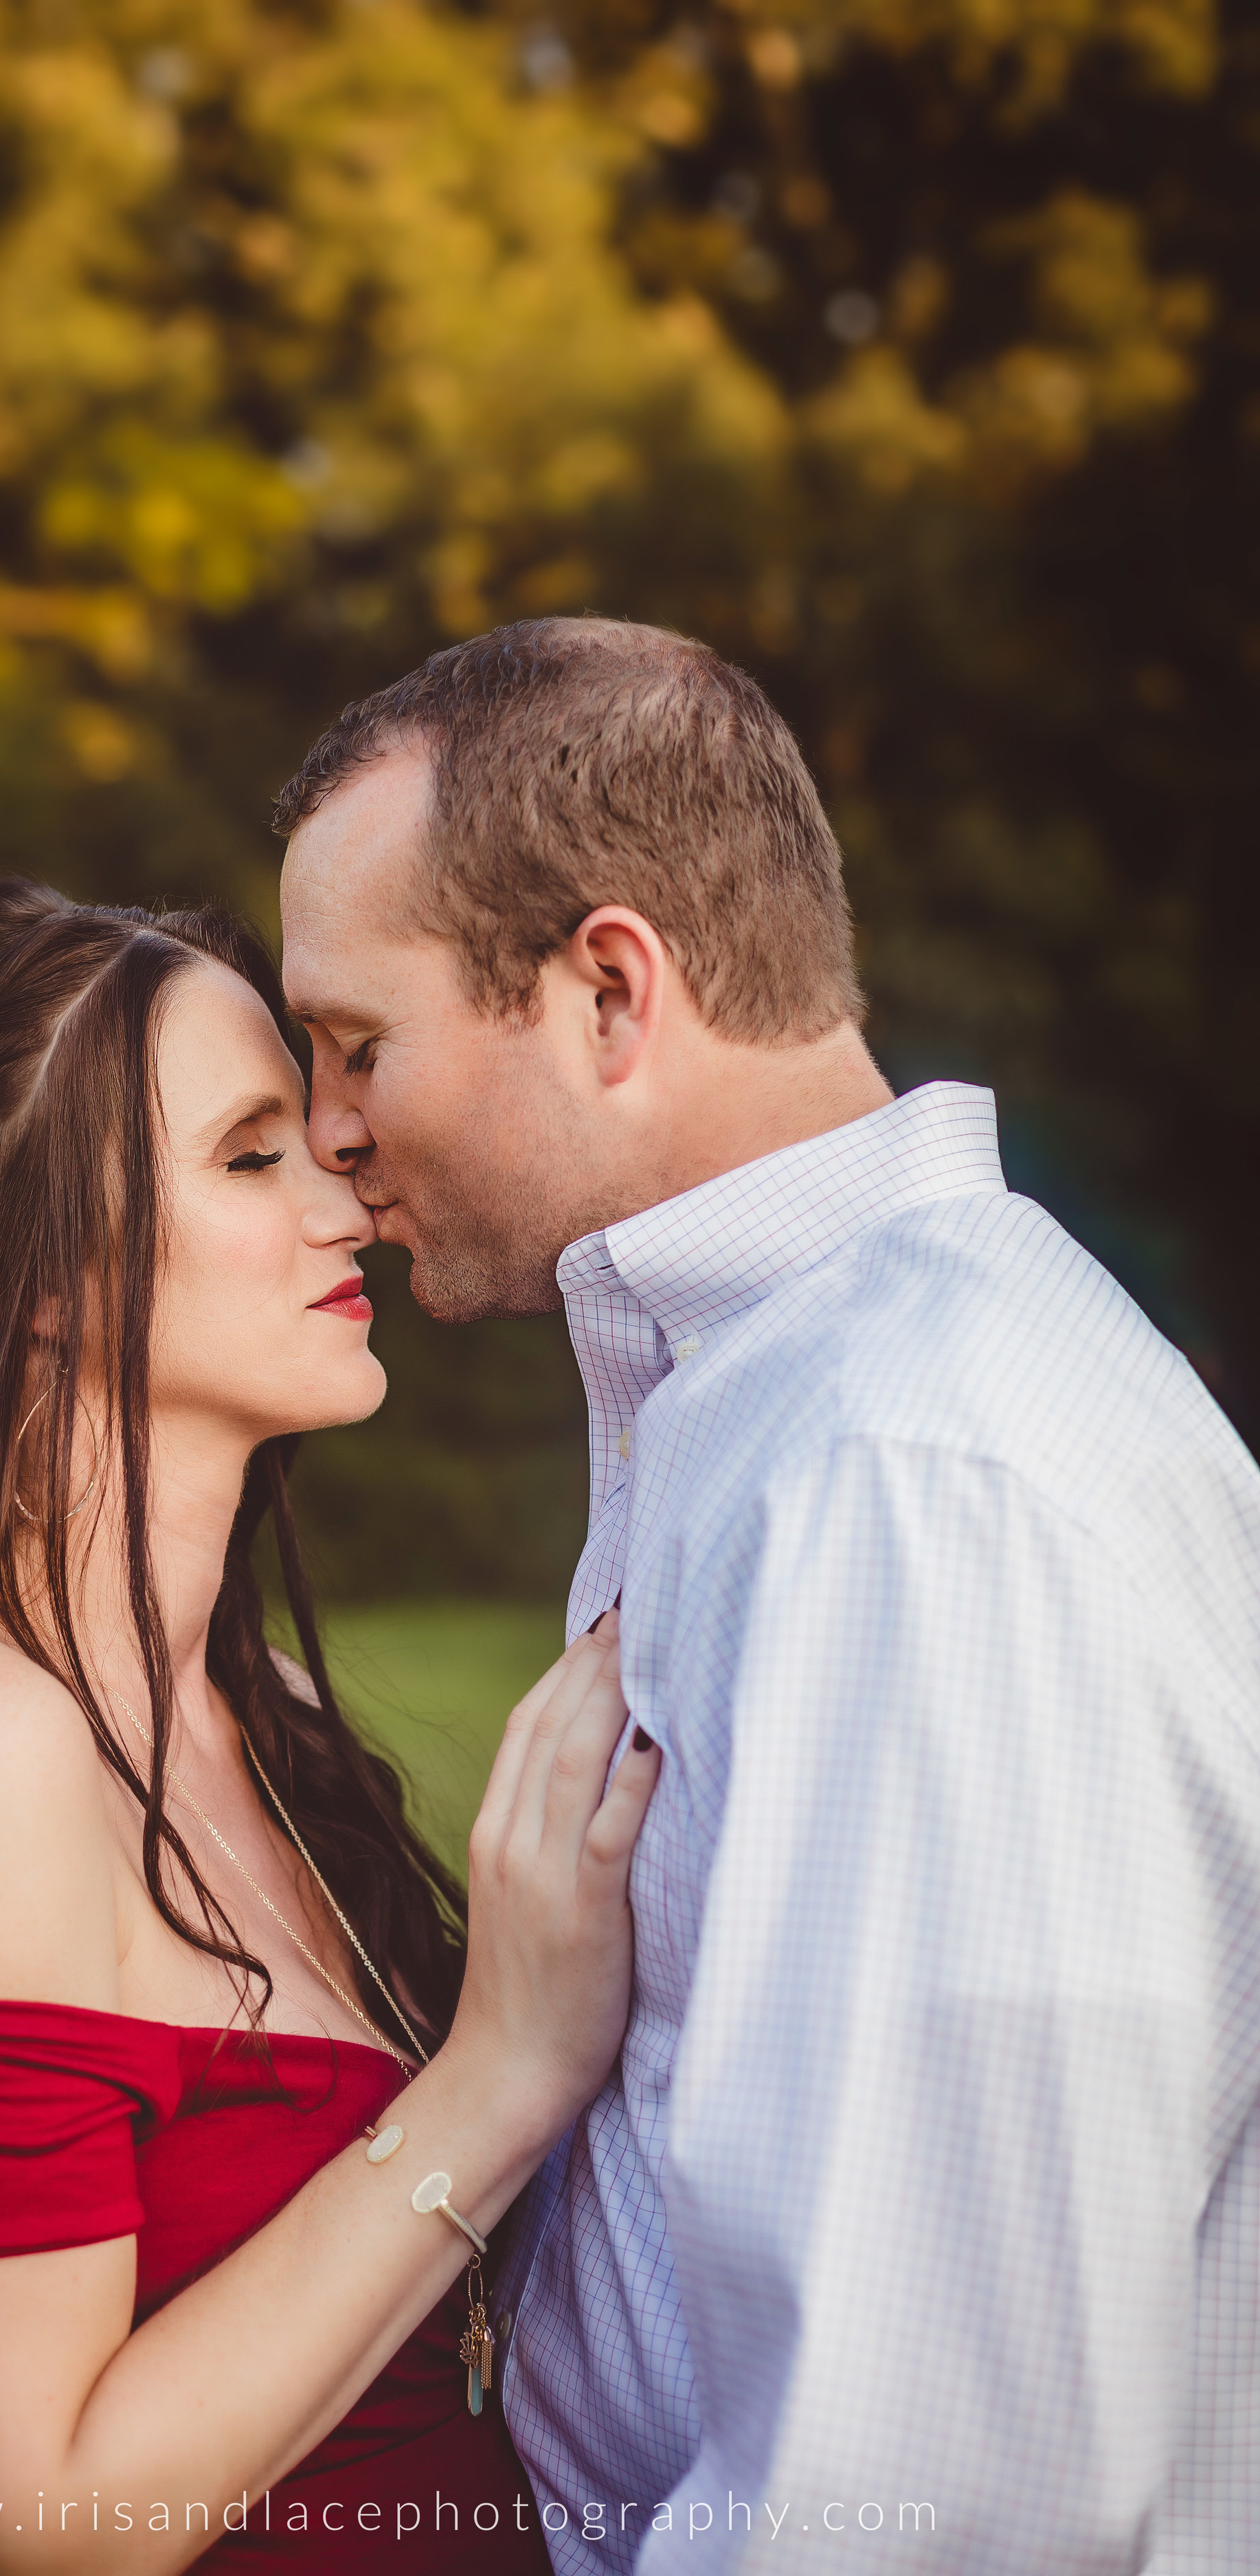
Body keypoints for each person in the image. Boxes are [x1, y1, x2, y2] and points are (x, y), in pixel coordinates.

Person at [275, 615, 1260, 2573]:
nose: (325, 1126)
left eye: (356, 1040)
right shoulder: (798, 1395)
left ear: (606, 990)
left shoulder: (914, 1475)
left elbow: (947, 2483)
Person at [0, 879, 661, 2573]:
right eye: (252, 1153)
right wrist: (499, 2073)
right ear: (23, 1264)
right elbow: (16, 2531)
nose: (346, 1191)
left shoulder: (252, 1718)